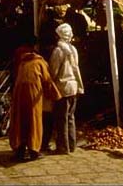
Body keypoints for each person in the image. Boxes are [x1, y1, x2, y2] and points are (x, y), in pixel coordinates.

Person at [8, 35, 61, 162]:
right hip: (33, 97)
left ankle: (19, 151)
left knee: (20, 122)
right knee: (34, 122)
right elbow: (48, 82)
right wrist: (56, 96)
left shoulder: (22, 61)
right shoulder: (40, 63)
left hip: (19, 95)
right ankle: (34, 151)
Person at [49, 23, 84, 155]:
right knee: (70, 117)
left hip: (62, 87)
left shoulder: (59, 51)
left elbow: (53, 70)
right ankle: (72, 144)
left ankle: (63, 147)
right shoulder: (73, 49)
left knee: (61, 118)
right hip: (73, 86)